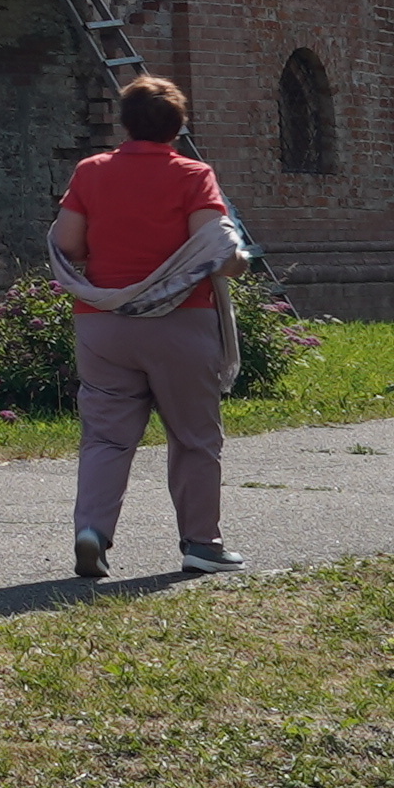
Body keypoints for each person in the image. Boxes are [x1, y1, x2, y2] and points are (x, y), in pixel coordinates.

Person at [55, 72, 244, 580]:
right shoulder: (192, 175)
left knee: (105, 436)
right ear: (177, 127)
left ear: (125, 124)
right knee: (194, 437)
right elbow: (219, 251)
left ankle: (92, 531)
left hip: (103, 323)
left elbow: (69, 243)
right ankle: (201, 544)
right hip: (182, 322)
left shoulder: (91, 171)